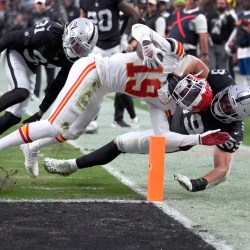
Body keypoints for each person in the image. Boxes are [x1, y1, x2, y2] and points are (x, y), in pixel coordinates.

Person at [5, 23, 227, 178]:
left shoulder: (166, 103)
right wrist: (147, 46)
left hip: (102, 89)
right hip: (94, 70)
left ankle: (31, 149)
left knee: (71, 133)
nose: (183, 90)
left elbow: (163, 137)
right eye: (189, 87)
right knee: (55, 125)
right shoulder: (176, 56)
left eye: (186, 97)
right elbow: (140, 30)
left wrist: (198, 139)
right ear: (193, 78)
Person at [43, 68, 250, 193]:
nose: (221, 105)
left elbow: (222, 171)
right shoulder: (223, 81)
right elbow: (195, 63)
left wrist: (197, 183)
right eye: (224, 100)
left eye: (227, 109)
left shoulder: (232, 130)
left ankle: (70, 166)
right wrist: (176, 75)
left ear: (235, 116)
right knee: (143, 80)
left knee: (121, 142)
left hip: (172, 135)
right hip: (172, 105)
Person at [0, 17, 97, 135]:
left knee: (15, 116)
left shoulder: (73, 60)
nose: (77, 50)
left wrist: (40, 113)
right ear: (69, 33)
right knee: (22, 91)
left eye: (82, 49)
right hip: (15, 53)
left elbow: (58, 83)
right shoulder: (48, 34)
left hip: (30, 65)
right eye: (76, 44)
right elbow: (10, 37)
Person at [80, 0, 140, 133]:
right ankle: (92, 122)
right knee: (93, 84)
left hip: (114, 46)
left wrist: (124, 36)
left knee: (121, 87)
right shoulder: (85, 2)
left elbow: (134, 15)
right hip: (96, 47)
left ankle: (134, 119)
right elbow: (81, 20)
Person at [168, 0, 209, 65]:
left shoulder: (200, 16)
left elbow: (203, 36)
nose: (192, 1)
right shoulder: (178, 14)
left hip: (188, 52)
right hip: (172, 51)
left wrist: (204, 54)